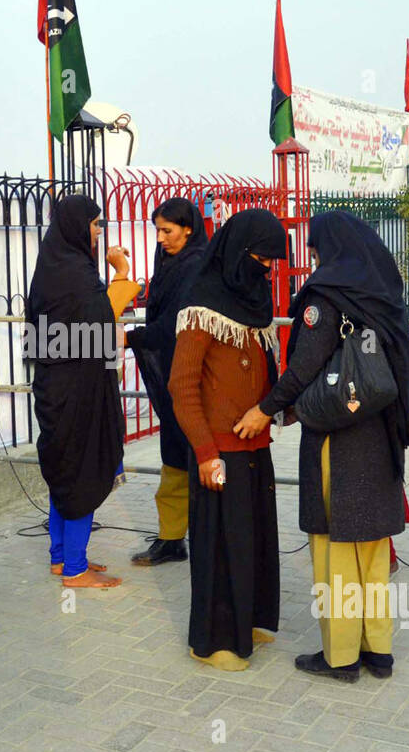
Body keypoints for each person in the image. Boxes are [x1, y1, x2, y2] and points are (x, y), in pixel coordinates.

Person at [236, 210, 409, 682]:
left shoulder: (325, 297)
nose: (312, 258)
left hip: (337, 440)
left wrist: (266, 409)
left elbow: (303, 368)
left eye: (314, 249)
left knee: (336, 550)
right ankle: (378, 651)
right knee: (372, 552)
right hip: (380, 437)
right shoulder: (383, 295)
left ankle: (340, 657)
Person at [167, 209, 286, 671]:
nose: (266, 268)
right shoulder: (201, 303)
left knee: (252, 539)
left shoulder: (252, 298)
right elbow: (182, 386)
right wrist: (205, 452)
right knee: (220, 546)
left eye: (273, 260)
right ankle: (215, 641)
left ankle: (250, 621)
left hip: (256, 447)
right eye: (260, 257)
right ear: (240, 252)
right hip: (218, 452)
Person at [25, 195, 136, 590]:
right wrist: (122, 273)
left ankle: (62, 558)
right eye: (94, 224)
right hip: (77, 393)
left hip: (53, 386)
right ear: (76, 226)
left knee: (62, 470)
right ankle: (75, 569)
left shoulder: (49, 269)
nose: (97, 232)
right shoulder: (76, 274)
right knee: (83, 469)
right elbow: (102, 322)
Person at [126, 198, 207, 567]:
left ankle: (209, 535)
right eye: (157, 230)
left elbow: (175, 323)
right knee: (173, 456)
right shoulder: (170, 262)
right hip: (172, 378)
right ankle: (172, 539)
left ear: (188, 229)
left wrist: (132, 338)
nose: (160, 238)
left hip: (193, 380)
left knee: (199, 457)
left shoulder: (196, 266)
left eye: (167, 231)